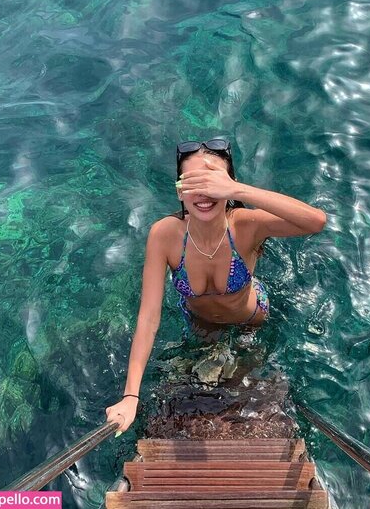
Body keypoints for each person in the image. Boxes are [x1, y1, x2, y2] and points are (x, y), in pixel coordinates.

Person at [105, 138, 326, 434]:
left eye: (213, 182)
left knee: (244, 387)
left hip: (250, 319)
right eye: (193, 183)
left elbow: (315, 221)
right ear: (180, 191)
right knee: (195, 389)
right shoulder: (165, 235)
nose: (204, 193)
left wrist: (238, 190)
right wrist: (130, 396)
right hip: (199, 322)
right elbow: (148, 318)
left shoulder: (245, 225)